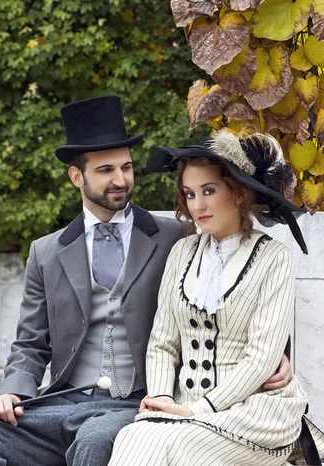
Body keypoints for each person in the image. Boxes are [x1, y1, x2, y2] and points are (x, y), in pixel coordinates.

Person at [0, 97, 293, 466]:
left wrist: (277, 354)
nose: (121, 179)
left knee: (95, 441)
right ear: (77, 177)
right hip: (61, 403)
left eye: (126, 167)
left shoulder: (176, 237)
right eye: (106, 170)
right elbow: (30, 344)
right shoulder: (45, 253)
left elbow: (230, 287)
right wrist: (11, 392)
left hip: (133, 403)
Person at [108, 131, 312, 466]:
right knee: (134, 436)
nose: (197, 205)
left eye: (208, 191)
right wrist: (160, 399)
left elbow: (261, 358)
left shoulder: (274, 258)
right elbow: (163, 342)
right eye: (189, 194)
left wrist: (198, 409)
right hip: (184, 403)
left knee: (184, 447)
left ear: (239, 192)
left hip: (254, 411)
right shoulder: (182, 253)